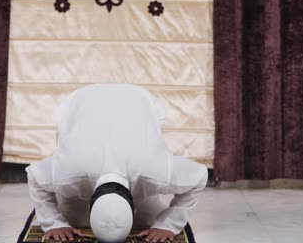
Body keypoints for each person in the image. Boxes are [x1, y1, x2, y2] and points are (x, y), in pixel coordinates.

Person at [26, 84, 208, 243]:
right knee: (71, 211)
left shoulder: (155, 170)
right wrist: (52, 222)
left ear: (136, 207)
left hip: (139, 100)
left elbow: (200, 176)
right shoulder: (67, 172)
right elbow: (34, 175)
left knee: (150, 213)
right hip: (80, 101)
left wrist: (169, 224)